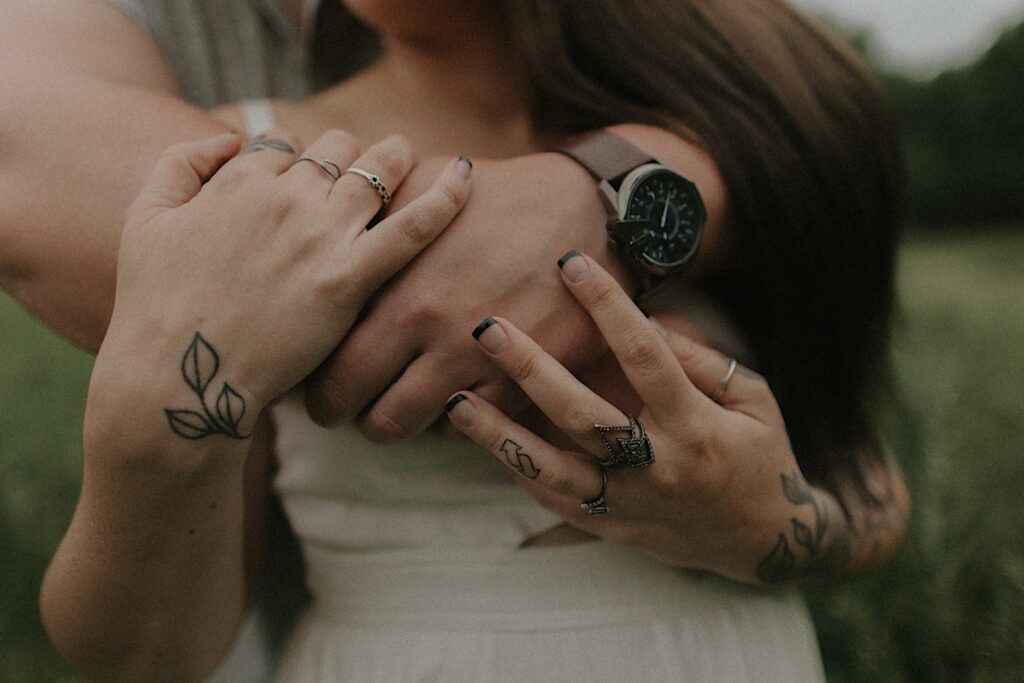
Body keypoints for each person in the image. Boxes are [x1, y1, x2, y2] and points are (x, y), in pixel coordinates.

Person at [33, 0, 911, 680]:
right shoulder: (252, 162)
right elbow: (141, 659)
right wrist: (147, 432)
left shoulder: (735, 135)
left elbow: (871, 484)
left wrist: (767, 527)